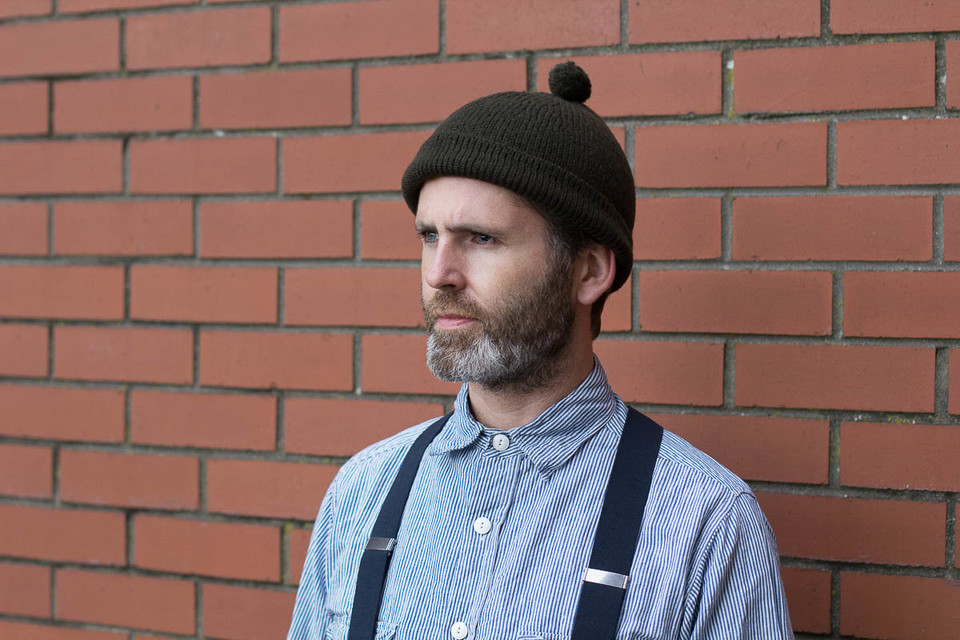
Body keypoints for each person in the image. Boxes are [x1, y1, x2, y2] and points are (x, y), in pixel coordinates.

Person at [288, 62, 794, 640]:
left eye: (482, 238)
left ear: (589, 271)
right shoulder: (362, 493)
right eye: (429, 236)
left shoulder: (706, 524)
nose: (438, 273)